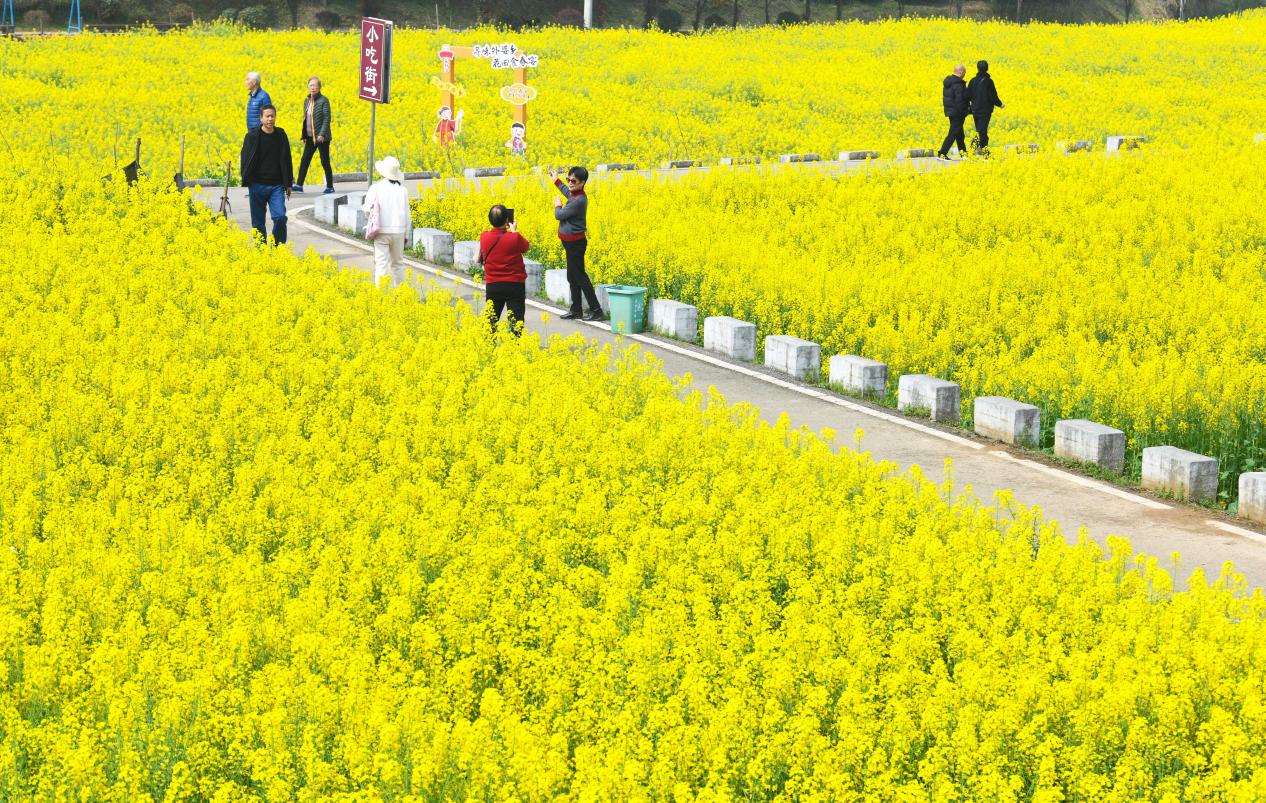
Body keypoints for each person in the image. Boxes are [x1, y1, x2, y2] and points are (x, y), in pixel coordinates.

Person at [549, 166, 604, 321]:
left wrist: (557, 205)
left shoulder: (579, 200)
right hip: (570, 243)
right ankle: (576, 310)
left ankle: (596, 310)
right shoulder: (575, 195)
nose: (570, 183)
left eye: (574, 181)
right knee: (572, 277)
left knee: (580, 277)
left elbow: (559, 215)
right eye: (568, 180)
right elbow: (567, 192)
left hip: (575, 244)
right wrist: (556, 180)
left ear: (582, 183)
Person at [239, 104, 292, 244]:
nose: (270, 119)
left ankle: (277, 248)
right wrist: (246, 179)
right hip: (257, 185)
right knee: (257, 223)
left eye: (272, 116)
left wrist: (288, 183)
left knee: (280, 217)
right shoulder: (252, 136)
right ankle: (261, 251)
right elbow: (245, 159)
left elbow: (287, 159)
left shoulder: (281, 134)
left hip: (276, 186)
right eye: (267, 116)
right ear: (261, 118)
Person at [479, 204, 531, 335]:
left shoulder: (484, 237)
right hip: (514, 285)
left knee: (491, 321)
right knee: (516, 321)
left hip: (493, 285)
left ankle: (489, 348)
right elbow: (525, 247)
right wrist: (514, 231)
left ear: (490, 220)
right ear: (507, 220)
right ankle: (514, 349)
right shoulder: (514, 238)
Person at [362, 156, 412, 288]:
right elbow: (408, 215)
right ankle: (400, 295)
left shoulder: (376, 188)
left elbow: (366, 209)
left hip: (381, 231)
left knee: (381, 264)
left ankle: (381, 294)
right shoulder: (403, 190)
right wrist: (406, 235)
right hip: (399, 232)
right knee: (398, 264)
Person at [295, 76, 334, 194]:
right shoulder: (307, 100)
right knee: (305, 160)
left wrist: (322, 134)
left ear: (319, 87)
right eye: (311, 85)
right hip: (310, 137)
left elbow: (327, 118)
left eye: (315, 85)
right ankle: (299, 185)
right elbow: (305, 119)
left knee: (324, 161)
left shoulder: (324, 100)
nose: (313, 87)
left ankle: (330, 186)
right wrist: (304, 136)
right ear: (308, 86)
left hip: (322, 138)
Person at [966, 59, 1004, 154]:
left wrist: (968, 107)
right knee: (981, 131)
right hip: (985, 111)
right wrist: (1000, 104)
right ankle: (982, 151)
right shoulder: (988, 82)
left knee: (980, 130)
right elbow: (993, 96)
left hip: (975, 110)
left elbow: (967, 95)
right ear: (987, 69)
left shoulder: (973, 81)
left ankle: (977, 150)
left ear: (977, 69)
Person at [938, 64, 969, 160]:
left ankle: (964, 154)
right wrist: (966, 111)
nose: (964, 75)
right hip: (958, 112)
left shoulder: (948, 82)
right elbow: (960, 101)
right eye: (964, 73)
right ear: (960, 72)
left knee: (959, 133)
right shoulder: (958, 84)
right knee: (953, 133)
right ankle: (942, 153)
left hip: (951, 111)